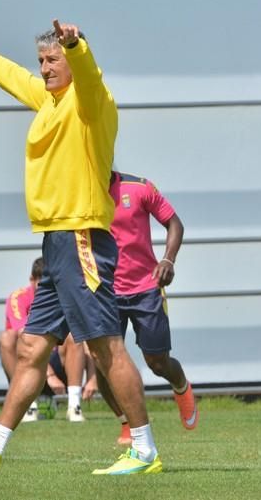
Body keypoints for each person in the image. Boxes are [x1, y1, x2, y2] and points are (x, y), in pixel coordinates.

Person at [0, 19, 161, 475]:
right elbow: (14, 76)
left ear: (71, 62)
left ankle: (143, 449)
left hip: (82, 237)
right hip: (56, 241)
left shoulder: (90, 103)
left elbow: (90, 76)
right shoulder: (51, 101)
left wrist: (75, 45)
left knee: (104, 347)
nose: (44, 68)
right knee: (31, 347)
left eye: (52, 60)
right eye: (42, 60)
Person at [97, 171, 198, 446]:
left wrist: (168, 259)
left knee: (157, 362)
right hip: (104, 290)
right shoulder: (79, 194)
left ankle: (181, 387)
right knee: (102, 362)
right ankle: (128, 422)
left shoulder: (139, 188)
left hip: (146, 288)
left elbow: (174, 223)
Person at [1, 257, 96, 423]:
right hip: (30, 366)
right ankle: (27, 404)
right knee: (7, 338)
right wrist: (49, 375)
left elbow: (89, 339)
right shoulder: (18, 298)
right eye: (42, 282)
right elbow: (25, 340)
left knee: (73, 336)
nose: (47, 286)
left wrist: (93, 378)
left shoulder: (69, 296)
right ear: (32, 280)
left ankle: (74, 406)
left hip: (63, 367)